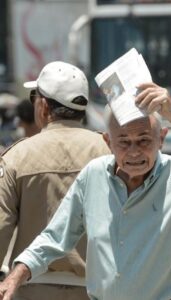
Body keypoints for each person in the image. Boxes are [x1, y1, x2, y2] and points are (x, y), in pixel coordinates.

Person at [0, 82, 171, 300]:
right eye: (124, 142)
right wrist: (16, 275)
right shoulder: (94, 175)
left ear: (162, 138)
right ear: (108, 142)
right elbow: (55, 237)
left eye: (144, 140)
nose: (134, 152)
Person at [0, 61, 111, 300]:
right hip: (99, 287)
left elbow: (1, 226)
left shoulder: (16, 157)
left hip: (31, 287)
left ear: (43, 106)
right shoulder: (110, 152)